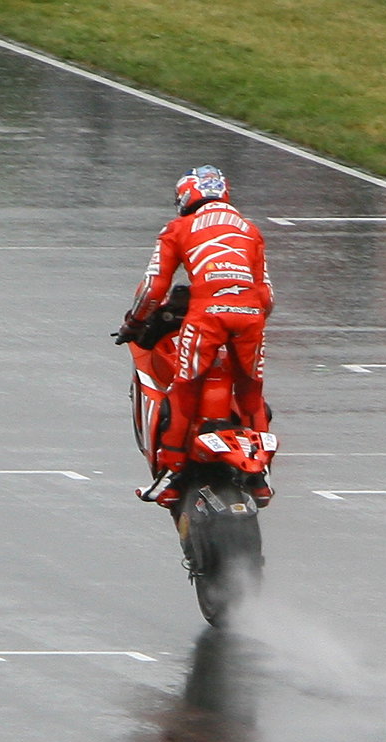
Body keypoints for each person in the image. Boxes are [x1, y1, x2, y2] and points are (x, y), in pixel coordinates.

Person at [117, 165, 275, 507]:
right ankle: (260, 479)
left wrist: (133, 322)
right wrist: (249, 314)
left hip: (207, 316)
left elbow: (153, 288)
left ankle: (170, 476)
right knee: (251, 393)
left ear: (185, 197)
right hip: (250, 316)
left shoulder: (178, 228)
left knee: (184, 389)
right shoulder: (250, 230)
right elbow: (267, 295)